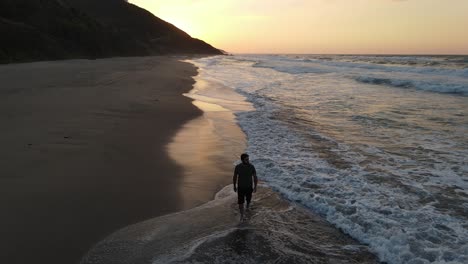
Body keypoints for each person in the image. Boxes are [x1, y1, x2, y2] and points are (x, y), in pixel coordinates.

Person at [233, 153, 258, 221]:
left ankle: (247, 207)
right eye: (246, 159)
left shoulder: (251, 167)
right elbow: (235, 177)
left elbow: (255, 177)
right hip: (240, 188)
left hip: (249, 187)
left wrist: (255, 187)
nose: (248, 160)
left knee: (248, 200)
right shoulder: (238, 167)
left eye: (248, 159)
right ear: (242, 160)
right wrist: (234, 186)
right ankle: (242, 215)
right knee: (240, 202)